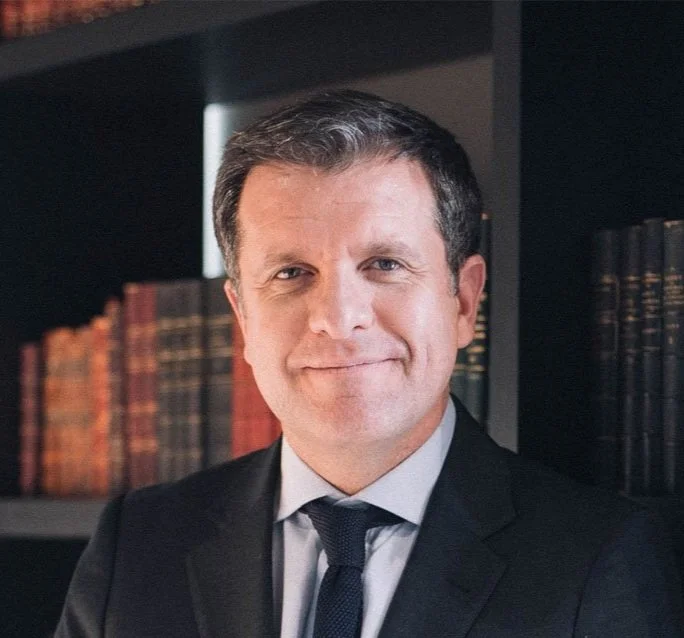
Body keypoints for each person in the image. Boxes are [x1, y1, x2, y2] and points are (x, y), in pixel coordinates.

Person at [56, 90, 683, 637]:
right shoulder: (135, 546)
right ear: (242, 317)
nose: (338, 317)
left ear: (464, 302)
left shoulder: (597, 556)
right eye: (291, 273)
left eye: (384, 264)